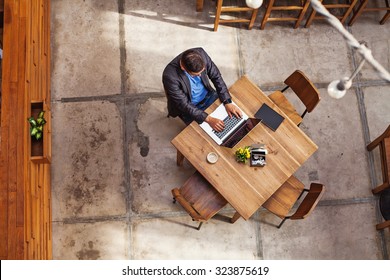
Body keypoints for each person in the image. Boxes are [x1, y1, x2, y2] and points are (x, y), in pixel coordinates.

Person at [162, 47, 242, 132]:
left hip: (209, 95)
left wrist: (227, 102)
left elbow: (216, 77)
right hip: (189, 108)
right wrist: (209, 119)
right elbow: (184, 104)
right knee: (201, 136)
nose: (200, 75)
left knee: (233, 121)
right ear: (183, 67)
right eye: (195, 75)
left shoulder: (201, 54)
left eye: (202, 71)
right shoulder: (170, 76)